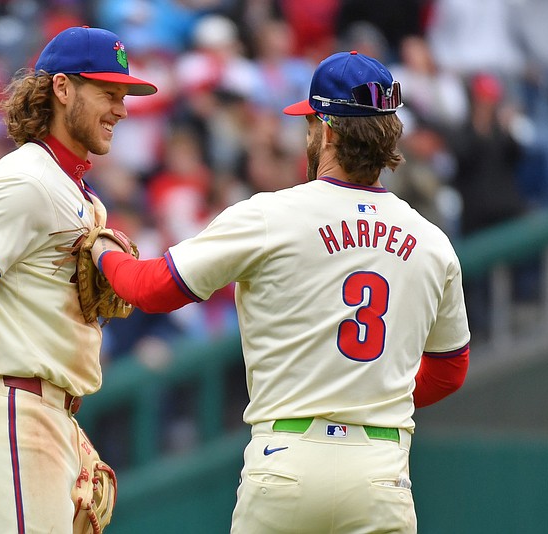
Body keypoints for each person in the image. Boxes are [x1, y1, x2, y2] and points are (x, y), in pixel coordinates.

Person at [90, 51, 470, 533]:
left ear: (328, 130)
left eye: (310, 122)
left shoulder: (271, 216)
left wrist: (104, 250)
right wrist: (373, 396)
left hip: (287, 459)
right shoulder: (433, 243)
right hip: (381, 467)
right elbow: (450, 370)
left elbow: (151, 290)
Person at [0, 26, 157, 533]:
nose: (122, 109)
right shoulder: (26, 180)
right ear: (62, 89)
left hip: (40, 413)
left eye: (123, 95)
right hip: (11, 413)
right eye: (108, 93)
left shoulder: (75, 192)